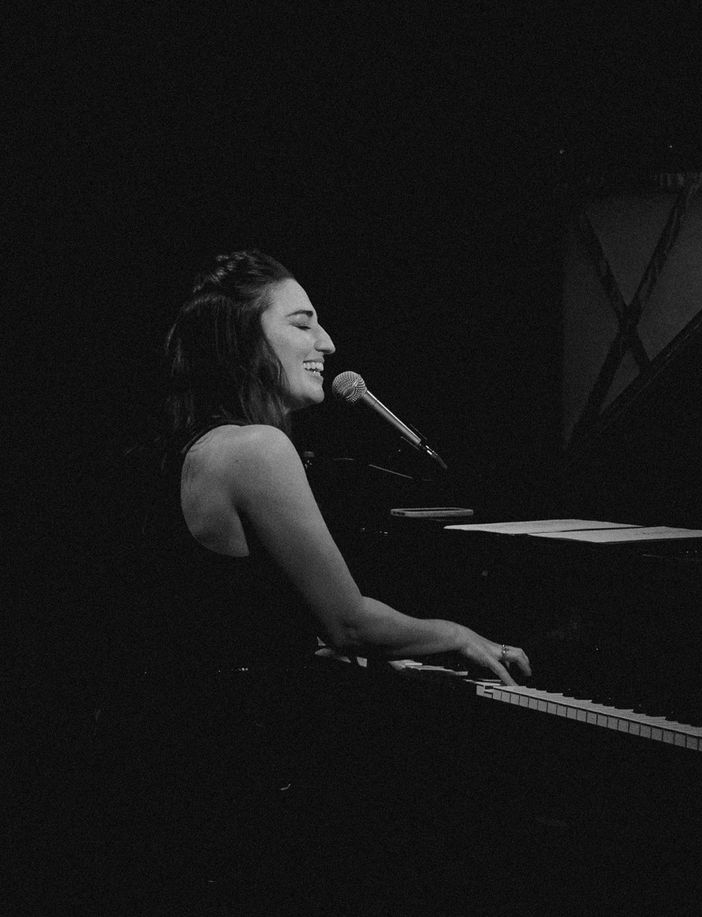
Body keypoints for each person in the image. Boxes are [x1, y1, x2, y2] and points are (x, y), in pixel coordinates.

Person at [101, 248, 531, 909]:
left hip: (186, 769)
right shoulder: (256, 449)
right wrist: (455, 633)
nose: (326, 343)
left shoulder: (192, 448)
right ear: (242, 338)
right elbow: (348, 620)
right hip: (255, 773)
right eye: (302, 323)